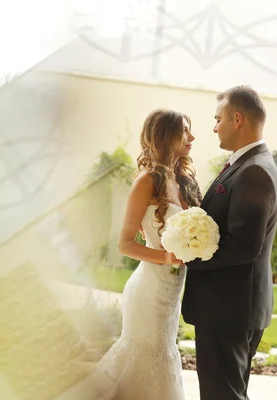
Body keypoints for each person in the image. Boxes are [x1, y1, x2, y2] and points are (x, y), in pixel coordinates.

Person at [182, 85, 277, 400]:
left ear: (237, 119)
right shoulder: (250, 164)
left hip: (228, 308)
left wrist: (188, 256)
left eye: (218, 119)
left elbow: (243, 247)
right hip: (233, 306)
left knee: (221, 395)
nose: (214, 127)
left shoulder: (254, 171)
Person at [94, 108, 200, 400]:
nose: (192, 137)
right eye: (185, 130)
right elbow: (125, 244)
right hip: (148, 291)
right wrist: (166, 258)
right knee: (144, 355)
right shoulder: (146, 181)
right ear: (166, 136)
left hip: (171, 294)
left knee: (163, 353)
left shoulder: (184, 181)